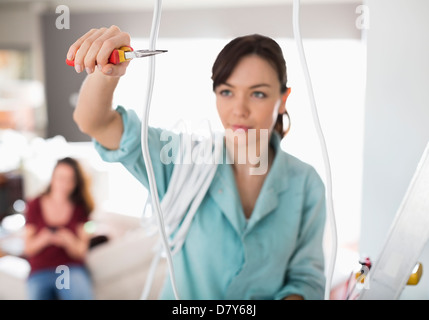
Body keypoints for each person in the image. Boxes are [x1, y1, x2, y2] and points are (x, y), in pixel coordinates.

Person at [68, 25, 326, 300]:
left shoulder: (306, 183)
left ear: (283, 99)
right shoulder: (182, 159)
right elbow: (95, 122)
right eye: (227, 92)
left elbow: (306, 278)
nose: (239, 109)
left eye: (258, 93)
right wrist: (106, 74)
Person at [24, 157, 95, 300]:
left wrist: (68, 240)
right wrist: (44, 238)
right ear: (52, 178)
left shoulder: (81, 208)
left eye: (70, 180)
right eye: (60, 178)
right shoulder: (34, 204)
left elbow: (82, 250)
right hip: (40, 270)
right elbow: (28, 248)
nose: (64, 184)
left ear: (75, 183)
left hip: (69, 269)